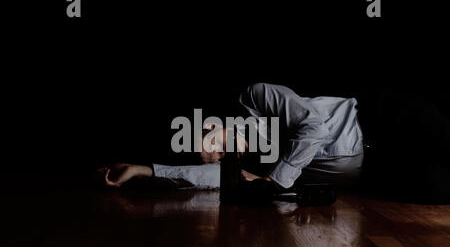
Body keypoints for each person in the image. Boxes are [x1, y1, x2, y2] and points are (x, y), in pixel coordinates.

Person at [98, 83, 364, 191]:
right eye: (219, 158)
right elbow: (206, 178)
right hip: (371, 177)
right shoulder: (250, 167)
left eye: (216, 145)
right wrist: (142, 170)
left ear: (210, 126)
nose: (225, 156)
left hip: (373, 124)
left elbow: (313, 127)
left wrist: (273, 179)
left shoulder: (256, 97)